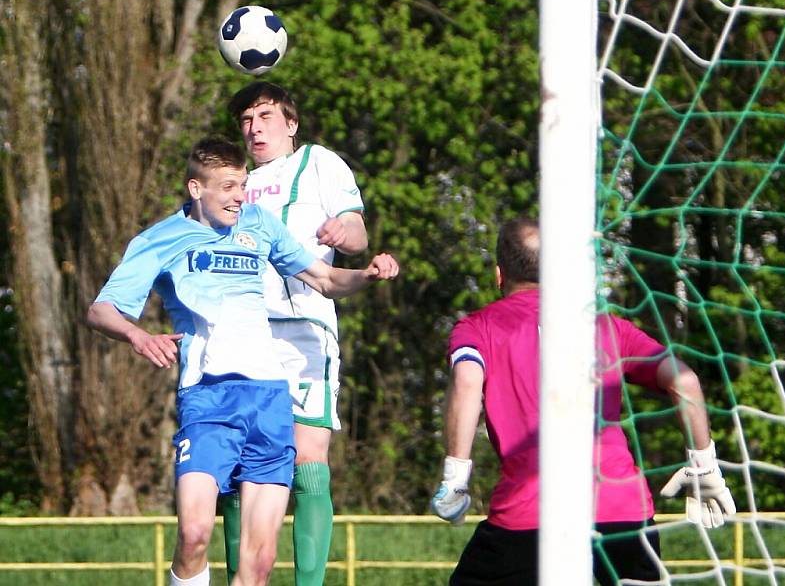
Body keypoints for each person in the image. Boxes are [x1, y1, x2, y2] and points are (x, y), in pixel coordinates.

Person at [86, 136, 398, 586]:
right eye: (229, 187)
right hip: (208, 397)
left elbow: (326, 279)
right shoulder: (161, 238)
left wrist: (366, 274)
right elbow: (101, 309)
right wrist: (137, 335)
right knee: (193, 534)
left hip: (270, 399)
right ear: (196, 189)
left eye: (243, 185)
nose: (240, 197)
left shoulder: (259, 223)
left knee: (260, 562)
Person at [430, 216, 736, 585]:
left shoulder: (479, 327)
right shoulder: (605, 326)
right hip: (623, 513)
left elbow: (466, 380)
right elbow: (685, 382)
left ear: (499, 274)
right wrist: (704, 466)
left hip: (531, 514)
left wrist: (455, 478)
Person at [220, 81, 368, 586]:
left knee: (307, 458)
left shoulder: (319, 163)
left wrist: (343, 233)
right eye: (246, 120)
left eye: (264, 115)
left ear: (291, 123)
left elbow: (356, 229)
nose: (255, 127)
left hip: (304, 328)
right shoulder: (232, 181)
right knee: (242, 466)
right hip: (240, 334)